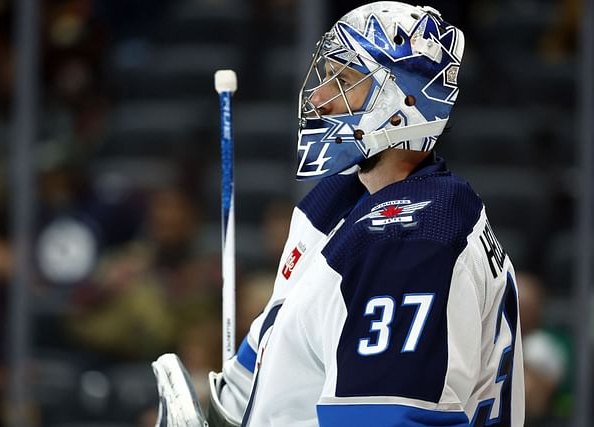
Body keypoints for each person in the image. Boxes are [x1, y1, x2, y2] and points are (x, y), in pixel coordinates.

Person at [154, 2, 525, 426]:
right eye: (327, 75)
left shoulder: (412, 237)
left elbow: (383, 420)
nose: (319, 96)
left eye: (344, 80)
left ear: (403, 101)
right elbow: (265, 379)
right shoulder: (339, 202)